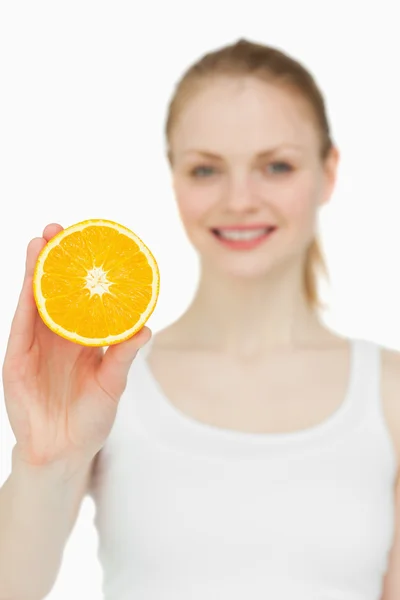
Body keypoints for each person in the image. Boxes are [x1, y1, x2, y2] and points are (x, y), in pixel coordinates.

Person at [0, 37, 399, 600]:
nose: (239, 199)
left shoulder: (390, 395)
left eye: (277, 166)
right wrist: (42, 461)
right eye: (206, 170)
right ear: (174, 177)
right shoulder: (109, 384)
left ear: (329, 172)